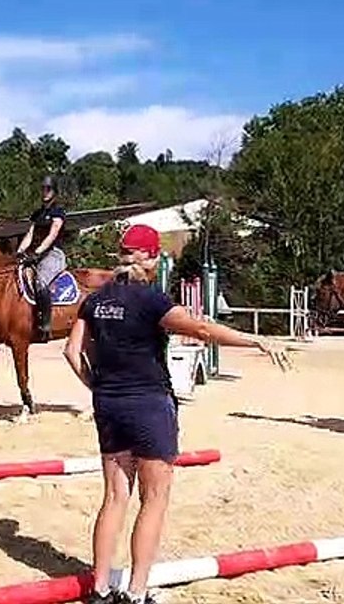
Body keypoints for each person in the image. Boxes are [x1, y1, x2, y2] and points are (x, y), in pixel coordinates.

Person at [63, 223, 292, 604]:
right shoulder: (152, 300)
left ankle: (100, 589)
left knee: (115, 497)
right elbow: (201, 329)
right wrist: (257, 340)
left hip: (108, 406)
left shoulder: (95, 300)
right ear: (151, 259)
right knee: (154, 498)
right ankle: (136, 593)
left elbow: (72, 353)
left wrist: (98, 388)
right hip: (149, 405)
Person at [15, 175, 67, 341]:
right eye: (43, 189)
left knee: (40, 282)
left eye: (48, 189)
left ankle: (45, 324)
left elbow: (53, 234)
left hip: (53, 254)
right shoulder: (37, 214)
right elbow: (30, 235)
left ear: (54, 191)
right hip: (36, 254)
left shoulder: (58, 212)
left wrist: (37, 252)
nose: (45, 192)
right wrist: (19, 252)